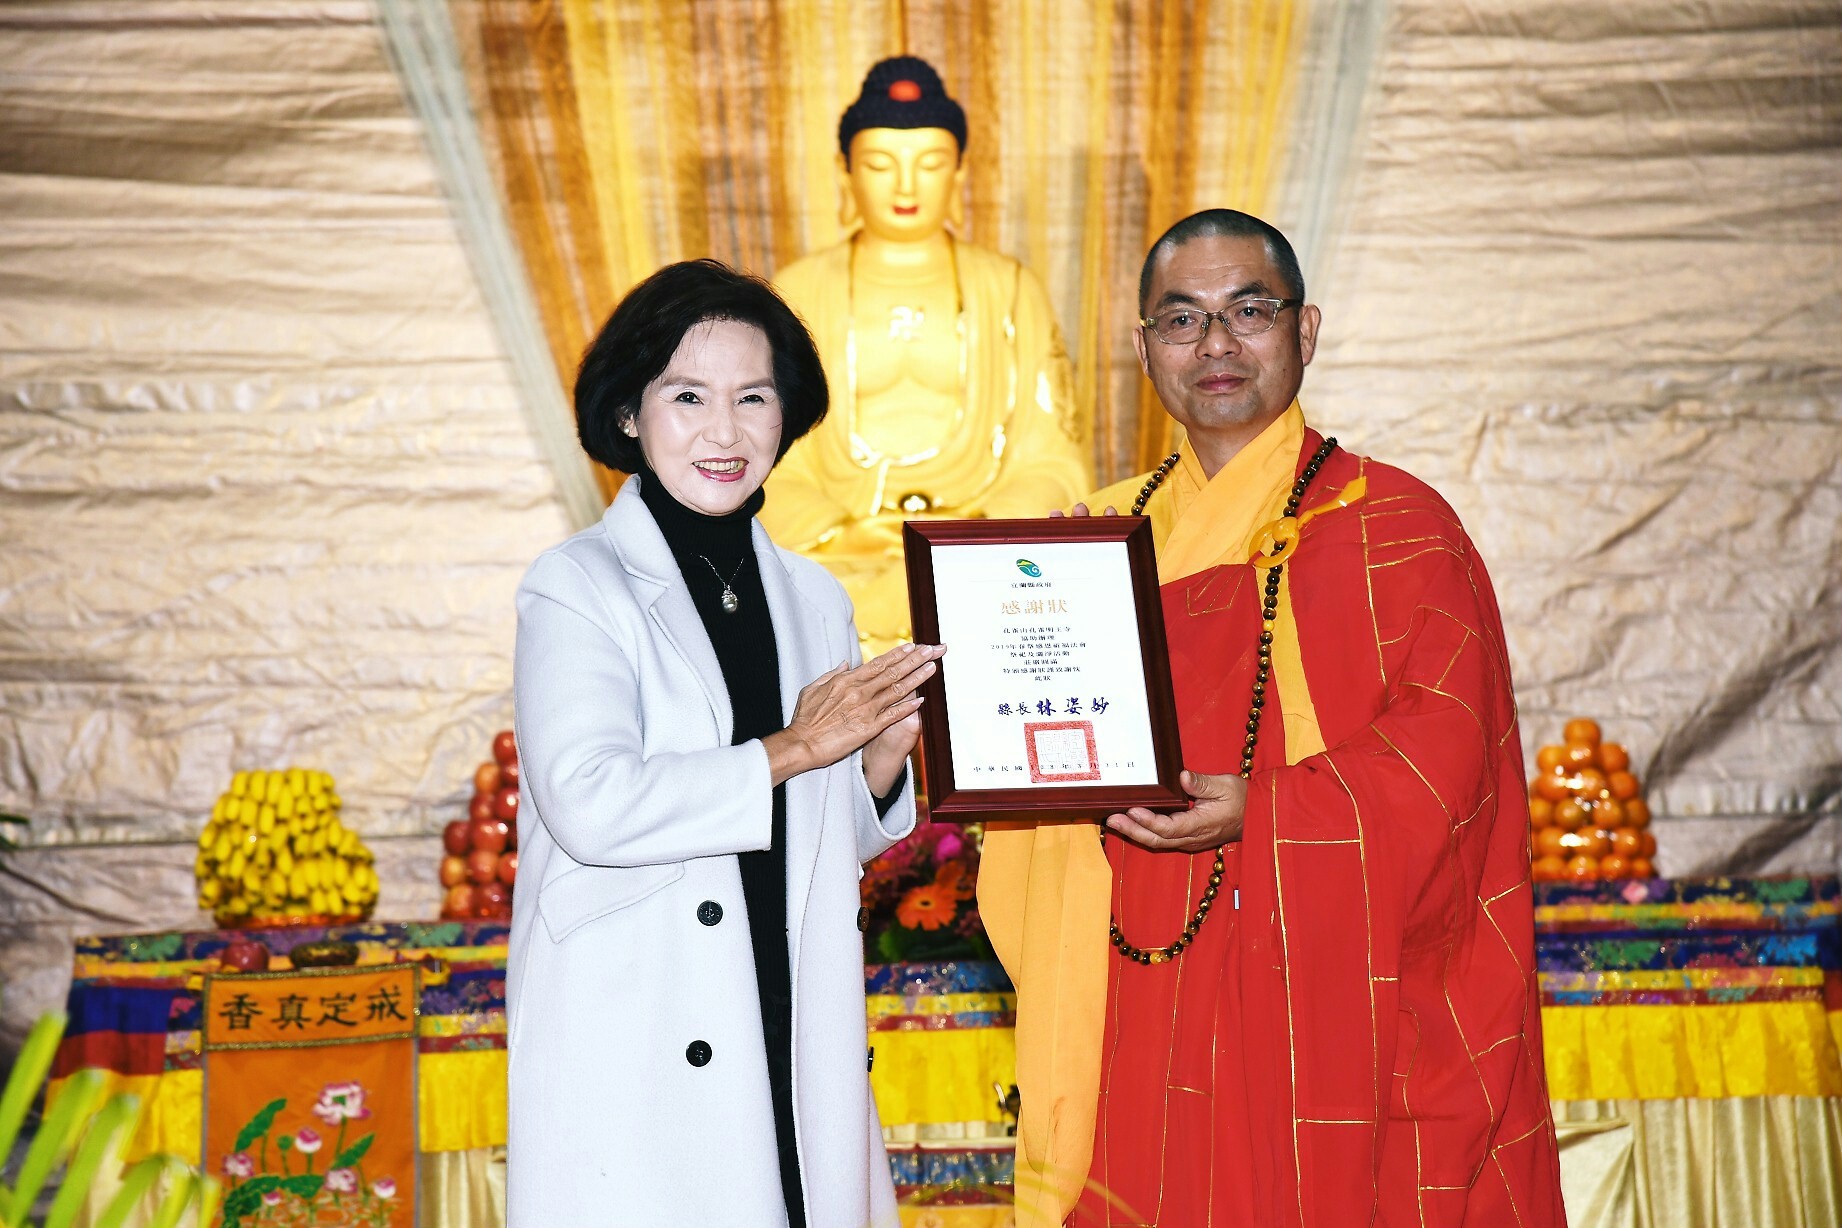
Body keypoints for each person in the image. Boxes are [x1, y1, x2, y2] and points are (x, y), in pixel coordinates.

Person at [978, 211, 1565, 1226]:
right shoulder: (1091, 542)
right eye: (1182, 319)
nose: (1216, 343)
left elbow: (1446, 767)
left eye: (1249, 311)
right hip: (1131, 985)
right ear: (1144, 349)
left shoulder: (1397, 528)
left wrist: (1267, 809)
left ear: (1307, 329)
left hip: (1327, 996)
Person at [506, 259, 942, 1227]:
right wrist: (797, 747)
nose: (725, 431)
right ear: (630, 414)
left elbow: (815, 837)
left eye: (753, 397)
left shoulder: (815, 595)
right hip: (645, 1015)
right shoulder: (575, 585)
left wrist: (877, 766)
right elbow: (591, 803)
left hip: (788, 1000)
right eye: (688, 397)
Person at [761, 56, 1092, 652]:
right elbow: (767, 455)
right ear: (845, 172)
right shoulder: (797, 292)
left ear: (960, 172)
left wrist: (967, 538)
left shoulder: (1010, 289)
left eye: (931, 163)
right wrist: (850, 534)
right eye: (880, 165)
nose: (906, 186)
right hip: (837, 554)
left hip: (977, 554)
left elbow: (1054, 459)